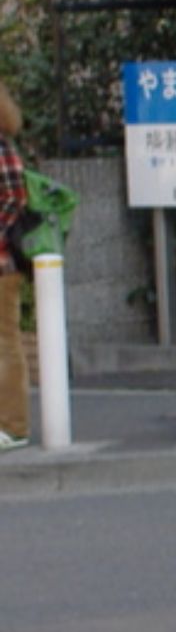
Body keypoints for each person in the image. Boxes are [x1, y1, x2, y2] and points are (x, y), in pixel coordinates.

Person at [0, 76, 32, 451]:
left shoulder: (1, 146)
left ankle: (13, 425)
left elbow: (14, 196)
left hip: (2, 264)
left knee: (5, 344)